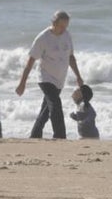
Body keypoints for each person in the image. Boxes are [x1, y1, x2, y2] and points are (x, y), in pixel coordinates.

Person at [15, 10, 84, 140]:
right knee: (56, 105)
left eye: (66, 26)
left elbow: (71, 57)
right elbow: (30, 61)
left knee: (46, 110)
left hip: (59, 80)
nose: (64, 29)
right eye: (61, 26)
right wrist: (22, 83)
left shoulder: (67, 36)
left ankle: (35, 135)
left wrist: (78, 76)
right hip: (45, 78)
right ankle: (60, 136)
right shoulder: (43, 38)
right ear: (54, 23)